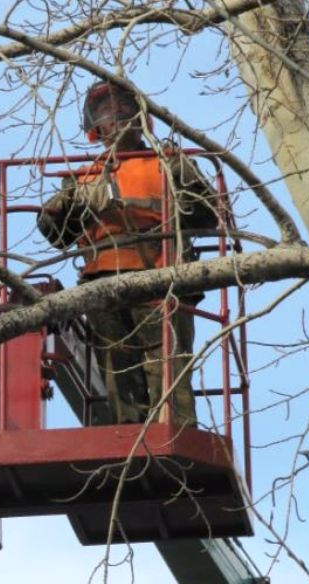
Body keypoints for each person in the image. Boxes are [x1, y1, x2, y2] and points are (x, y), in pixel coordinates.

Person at [37, 81, 218, 427]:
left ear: (141, 120)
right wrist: (61, 209)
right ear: (96, 129)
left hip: (162, 278)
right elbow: (55, 234)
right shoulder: (82, 177)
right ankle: (129, 438)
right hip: (104, 283)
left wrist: (186, 198)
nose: (117, 121)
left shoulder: (170, 163)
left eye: (123, 112)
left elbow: (208, 212)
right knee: (118, 368)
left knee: (166, 363)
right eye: (108, 115)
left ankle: (174, 431)